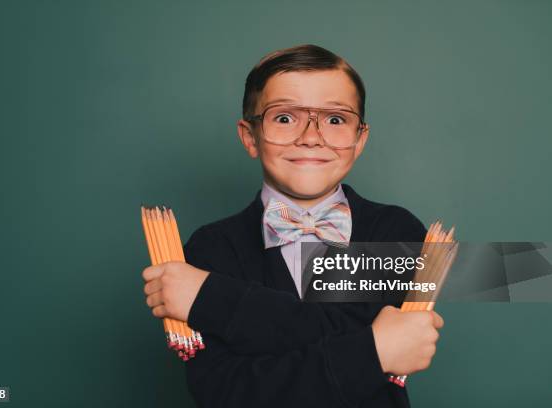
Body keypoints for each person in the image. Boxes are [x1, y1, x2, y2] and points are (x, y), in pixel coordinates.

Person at [142, 44, 444, 408]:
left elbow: (357, 336)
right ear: (249, 136)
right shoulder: (208, 249)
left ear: (360, 139)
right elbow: (225, 395)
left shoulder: (398, 231)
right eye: (284, 118)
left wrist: (214, 299)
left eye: (335, 119)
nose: (311, 137)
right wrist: (374, 350)